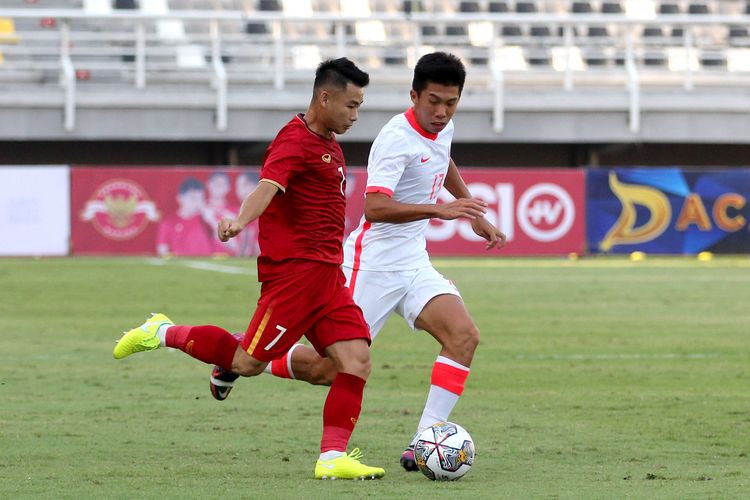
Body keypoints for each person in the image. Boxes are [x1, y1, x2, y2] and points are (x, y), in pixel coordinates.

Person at [209, 52, 506, 471]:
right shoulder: (395, 139)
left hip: (413, 262)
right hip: (369, 265)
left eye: (451, 103)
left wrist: (469, 210)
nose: (442, 112)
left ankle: (425, 440)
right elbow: (374, 209)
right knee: (327, 369)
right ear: (414, 95)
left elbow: (443, 157)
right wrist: (437, 210)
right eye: (434, 101)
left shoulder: (444, 127)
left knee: (464, 336)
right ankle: (241, 351)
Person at [113, 58, 384, 480]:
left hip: (327, 278)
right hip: (293, 278)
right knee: (247, 363)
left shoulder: (330, 141)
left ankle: (332, 458)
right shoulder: (293, 141)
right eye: (351, 105)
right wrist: (240, 220)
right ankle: (160, 332)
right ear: (325, 97)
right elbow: (268, 187)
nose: (355, 115)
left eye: (359, 106)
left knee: (352, 362)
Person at [155, 177, 214, 257]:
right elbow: (162, 250)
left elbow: (228, 243)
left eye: (200, 199)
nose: (197, 203)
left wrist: (211, 220)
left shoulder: (206, 219)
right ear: (180, 198)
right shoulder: (168, 222)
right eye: (193, 198)